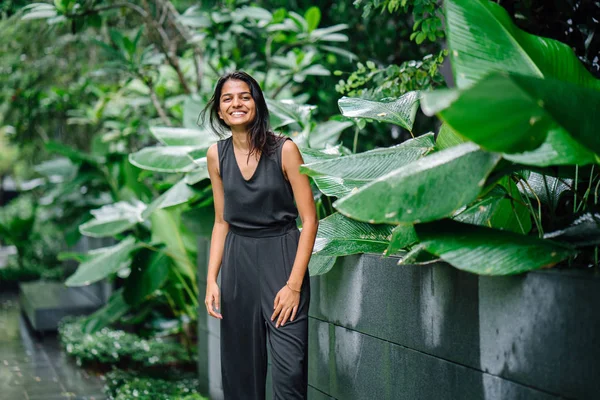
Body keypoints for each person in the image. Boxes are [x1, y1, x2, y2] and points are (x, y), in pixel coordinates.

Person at [202, 71, 318, 400]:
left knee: (290, 371)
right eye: (228, 98)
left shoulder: (285, 150)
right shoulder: (216, 155)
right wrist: (212, 279)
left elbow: (309, 220)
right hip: (238, 266)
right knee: (240, 372)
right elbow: (221, 221)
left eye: (244, 96)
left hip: (282, 258)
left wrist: (294, 285)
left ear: (257, 103)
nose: (236, 103)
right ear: (220, 110)